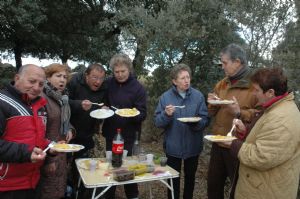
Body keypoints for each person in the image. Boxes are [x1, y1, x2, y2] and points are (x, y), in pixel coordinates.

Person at [224, 67, 300, 199]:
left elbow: (261, 157)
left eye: (257, 90)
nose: (253, 93)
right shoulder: (276, 108)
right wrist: (245, 131)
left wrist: (233, 143)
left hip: (266, 192)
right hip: (260, 185)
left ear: (270, 92)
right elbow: (266, 137)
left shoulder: (281, 119)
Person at [207, 43, 258, 199]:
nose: (222, 67)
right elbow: (212, 112)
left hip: (238, 146)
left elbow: (262, 115)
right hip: (218, 142)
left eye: (225, 63)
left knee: (237, 188)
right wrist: (211, 102)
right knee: (213, 186)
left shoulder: (255, 84)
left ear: (237, 62)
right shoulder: (222, 83)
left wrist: (239, 112)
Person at [154, 63, 209, 199]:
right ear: (174, 81)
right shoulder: (165, 97)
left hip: (193, 146)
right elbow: (158, 122)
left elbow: (205, 120)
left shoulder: (198, 96)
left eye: (188, 77)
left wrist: (196, 123)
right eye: (182, 78)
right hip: (173, 146)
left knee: (190, 179)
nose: (186, 81)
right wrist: (166, 115)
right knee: (173, 179)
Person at [0, 64, 50, 199]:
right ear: (17, 78)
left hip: (33, 181)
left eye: (41, 84)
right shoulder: (2, 102)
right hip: (6, 186)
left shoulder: (39, 106)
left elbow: (34, 138)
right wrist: (27, 152)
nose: (36, 88)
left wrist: (50, 147)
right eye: (32, 81)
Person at [102, 53, 147, 199]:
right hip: (111, 133)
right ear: (112, 71)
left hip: (129, 135)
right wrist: (104, 107)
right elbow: (103, 102)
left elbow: (143, 113)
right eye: (117, 72)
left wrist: (133, 114)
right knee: (111, 165)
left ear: (129, 70)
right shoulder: (108, 83)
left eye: (123, 71)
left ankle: (132, 195)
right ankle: (109, 195)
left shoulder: (138, 88)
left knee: (127, 168)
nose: (120, 75)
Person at [67, 63, 107, 197]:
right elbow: (63, 102)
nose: (98, 82)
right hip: (67, 133)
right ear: (86, 76)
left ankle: (81, 192)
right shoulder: (73, 83)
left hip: (87, 133)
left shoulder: (103, 89)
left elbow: (105, 106)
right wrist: (79, 105)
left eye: (101, 78)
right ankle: (67, 191)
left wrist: (104, 110)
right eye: (95, 77)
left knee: (80, 166)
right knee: (63, 166)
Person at [36, 63, 75, 199]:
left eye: (65, 77)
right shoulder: (42, 98)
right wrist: (48, 160)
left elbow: (63, 120)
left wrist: (70, 129)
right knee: (46, 191)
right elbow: (39, 131)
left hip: (61, 153)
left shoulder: (62, 98)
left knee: (59, 189)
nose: (62, 80)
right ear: (48, 77)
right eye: (58, 76)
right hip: (47, 154)